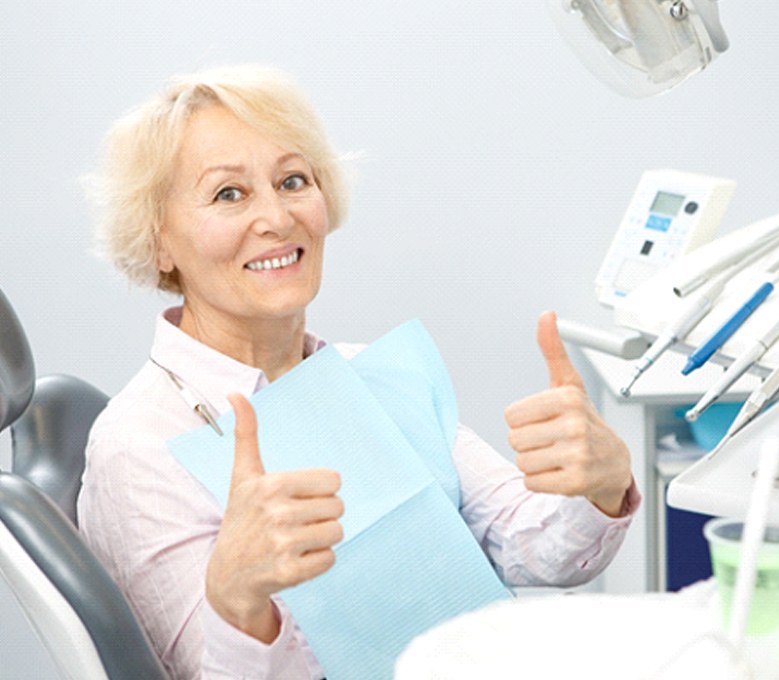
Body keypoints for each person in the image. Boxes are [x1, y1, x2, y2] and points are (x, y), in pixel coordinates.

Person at [78, 64, 640, 680]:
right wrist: (238, 601)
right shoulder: (138, 448)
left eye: (293, 181)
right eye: (228, 194)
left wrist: (600, 485)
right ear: (159, 242)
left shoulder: (365, 375)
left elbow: (536, 546)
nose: (277, 217)